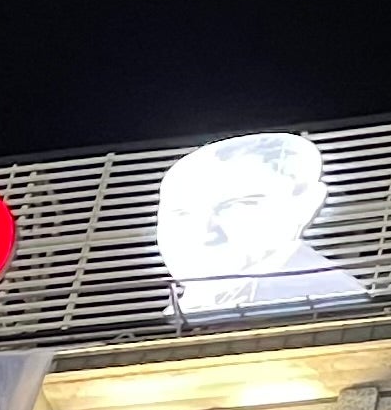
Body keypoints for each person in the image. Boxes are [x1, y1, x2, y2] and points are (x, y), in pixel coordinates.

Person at [154, 132, 367, 318]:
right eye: (181, 213)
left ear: (307, 203)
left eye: (234, 205)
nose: (205, 231)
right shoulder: (184, 310)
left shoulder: (325, 297)